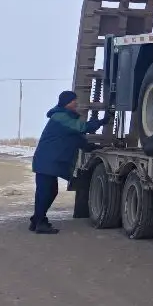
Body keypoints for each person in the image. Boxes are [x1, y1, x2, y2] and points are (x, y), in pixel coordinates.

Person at [29, 90, 104, 233]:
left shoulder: (65, 118)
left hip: (49, 161)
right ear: (66, 103)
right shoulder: (61, 117)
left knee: (49, 192)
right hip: (47, 161)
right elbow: (82, 128)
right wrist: (101, 121)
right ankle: (39, 223)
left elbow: (76, 138)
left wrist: (92, 147)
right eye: (73, 100)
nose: (76, 103)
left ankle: (36, 220)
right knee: (46, 193)